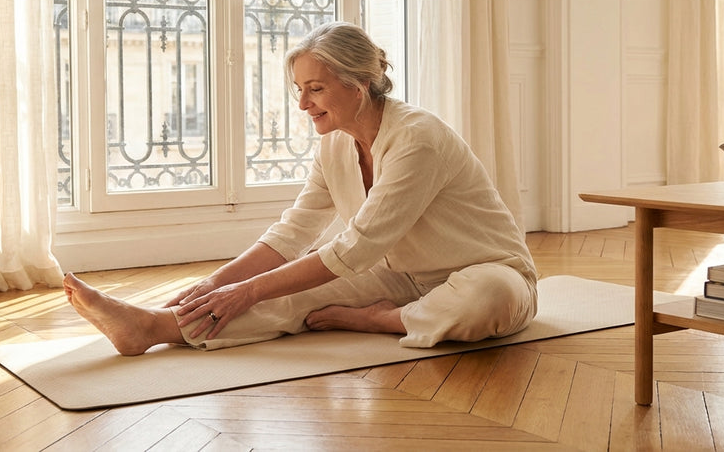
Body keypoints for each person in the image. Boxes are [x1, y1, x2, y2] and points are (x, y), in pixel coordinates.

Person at [64, 21, 538, 355]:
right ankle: (151, 327)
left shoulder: (418, 138)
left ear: (360, 84)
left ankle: (380, 320)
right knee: (287, 295)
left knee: (487, 296)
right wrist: (217, 284)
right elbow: (293, 233)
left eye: (315, 89)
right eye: (299, 89)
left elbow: (356, 246)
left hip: (489, 273)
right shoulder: (335, 145)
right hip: (402, 278)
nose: (303, 104)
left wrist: (246, 291)